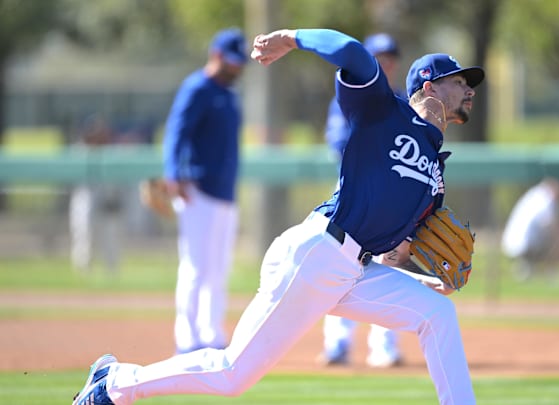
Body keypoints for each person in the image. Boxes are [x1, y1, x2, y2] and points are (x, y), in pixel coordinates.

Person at [71, 27, 484, 405]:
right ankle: (114, 382)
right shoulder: (384, 110)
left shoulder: (435, 168)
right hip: (317, 253)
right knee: (232, 375)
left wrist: (416, 277)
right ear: (429, 85)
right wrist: (291, 38)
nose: (470, 91)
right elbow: (352, 52)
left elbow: (395, 246)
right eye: (461, 82)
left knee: (437, 313)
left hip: (352, 270)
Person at [320, 32, 405, 368]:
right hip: (355, 195)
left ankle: (383, 346)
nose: (386, 63)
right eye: (379, 57)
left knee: (390, 268)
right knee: (342, 266)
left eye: (390, 57)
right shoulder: (350, 97)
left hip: (392, 198)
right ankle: (338, 343)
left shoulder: (402, 100)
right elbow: (341, 144)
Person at [162, 28, 247, 354]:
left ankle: (211, 335)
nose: (236, 67)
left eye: (239, 62)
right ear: (216, 54)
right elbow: (176, 131)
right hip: (197, 191)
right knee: (196, 266)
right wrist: (173, 173)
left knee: (219, 267)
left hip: (225, 192)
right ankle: (187, 337)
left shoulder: (228, 94)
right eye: (232, 60)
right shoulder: (197, 87)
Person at [68, 114, 123, 274]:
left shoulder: (112, 152)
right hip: (86, 197)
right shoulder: (79, 151)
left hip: (108, 200)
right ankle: (83, 272)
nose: (99, 134)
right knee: (84, 236)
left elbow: (118, 182)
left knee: (111, 239)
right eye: (94, 131)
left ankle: (112, 272)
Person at [501, 177, 559, 281]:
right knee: (554, 238)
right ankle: (550, 272)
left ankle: (528, 268)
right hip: (524, 245)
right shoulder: (546, 199)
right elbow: (551, 226)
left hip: (513, 243)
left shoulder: (536, 195)